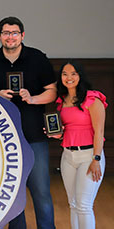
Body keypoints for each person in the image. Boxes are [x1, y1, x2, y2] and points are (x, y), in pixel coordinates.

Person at [0, 16, 56, 228]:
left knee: (41, 192)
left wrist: (33, 98)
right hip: (0, 141)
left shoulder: (38, 58)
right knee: (12, 194)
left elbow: (53, 91)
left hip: (34, 136)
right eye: (6, 33)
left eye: (14, 33)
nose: (10, 37)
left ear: (22, 35)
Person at [53, 60, 106, 229]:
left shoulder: (92, 98)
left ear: (80, 75)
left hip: (89, 156)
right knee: (73, 204)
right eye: (64, 74)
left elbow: (99, 132)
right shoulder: (62, 100)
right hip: (68, 156)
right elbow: (69, 129)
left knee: (84, 206)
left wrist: (96, 159)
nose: (69, 78)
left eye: (73, 73)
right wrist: (57, 134)